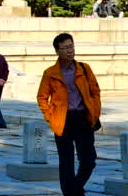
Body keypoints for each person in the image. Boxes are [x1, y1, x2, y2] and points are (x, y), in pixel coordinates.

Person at [37, 33, 101, 196]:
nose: (70, 51)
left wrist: (95, 112)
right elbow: (42, 97)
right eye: (65, 48)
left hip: (83, 118)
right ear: (57, 51)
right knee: (66, 162)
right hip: (62, 120)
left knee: (88, 160)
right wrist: (50, 117)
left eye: (71, 46)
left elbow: (95, 92)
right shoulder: (50, 73)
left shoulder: (84, 68)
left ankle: (75, 189)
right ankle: (71, 193)